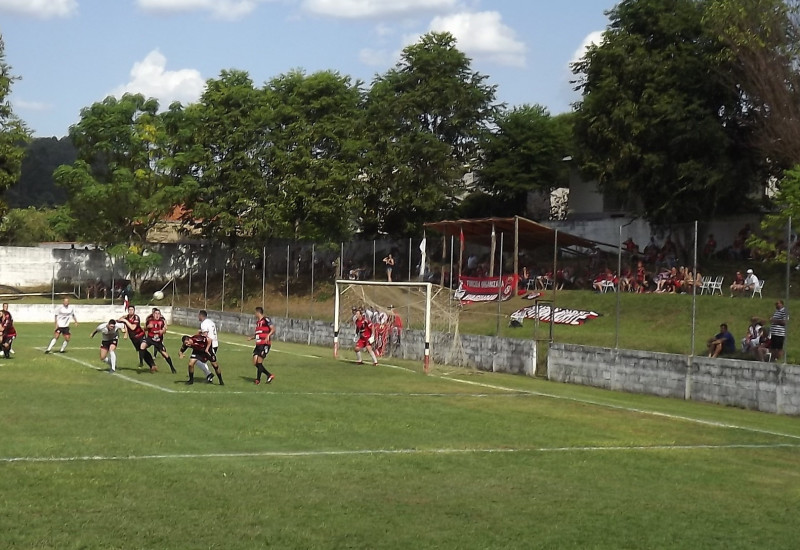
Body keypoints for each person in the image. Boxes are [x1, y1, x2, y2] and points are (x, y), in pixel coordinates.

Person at [117, 305, 157, 372]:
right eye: (129, 310)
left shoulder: (136, 317)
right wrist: (122, 318)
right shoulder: (126, 317)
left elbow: (133, 327)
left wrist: (125, 321)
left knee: (143, 349)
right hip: (133, 338)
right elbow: (118, 320)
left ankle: (143, 363)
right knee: (143, 352)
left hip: (140, 335)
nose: (130, 311)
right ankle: (152, 365)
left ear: (134, 311)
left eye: (132, 310)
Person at [142, 308, 177, 374]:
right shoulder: (149, 320)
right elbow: (144, 328)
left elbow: (165, 330)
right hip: (150, 338)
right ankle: (151, 364)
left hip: (158, 341)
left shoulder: (162, 321)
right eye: (156, 314)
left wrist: (162, 331)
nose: (157, 315)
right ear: (153, 314)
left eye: (158, 314)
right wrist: (147, 327)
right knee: (142, 348)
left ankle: (172, 368)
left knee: (165, 354)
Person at [249, 307, 275, 385]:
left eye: (255, 313)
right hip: (258, 344)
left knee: (259, 362)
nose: (255, 314)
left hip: (265, 344)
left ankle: (258, 380)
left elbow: (273, 329)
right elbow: (258, 333)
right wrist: (252, 337)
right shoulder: (258, 322)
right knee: (255, 362)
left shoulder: (266, 320)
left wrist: (268, 336)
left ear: (258, 313)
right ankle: (269, 375)